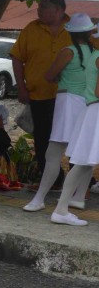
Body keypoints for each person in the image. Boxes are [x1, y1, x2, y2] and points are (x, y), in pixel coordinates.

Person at [23, 12, 95, 213]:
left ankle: (39, 199)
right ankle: (79, 196)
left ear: (71, 33)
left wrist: (60, 79)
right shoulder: (96, 54)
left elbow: (49, 75)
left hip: (67, 102)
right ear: (90, 33)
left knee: (53, 153)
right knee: (83, 154)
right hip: (87, 104)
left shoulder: (67, 52)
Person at [10, 0, 71, 188]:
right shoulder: (31, 29)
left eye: (43, 7)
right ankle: (52, 179)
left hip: (69, 96)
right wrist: (21, 87)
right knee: (43, 140)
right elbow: (17, 58)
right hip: (40, 95)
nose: (38, 10)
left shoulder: (73, 29)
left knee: (73, 139)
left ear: (59, 10)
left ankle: (83, 180)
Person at [50, 31, 99, 226]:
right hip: (96, 111)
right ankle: (61, 209)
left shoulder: (94, 55)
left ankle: (62, 208)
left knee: (83, 164)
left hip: (92, 111)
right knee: (81, 164)